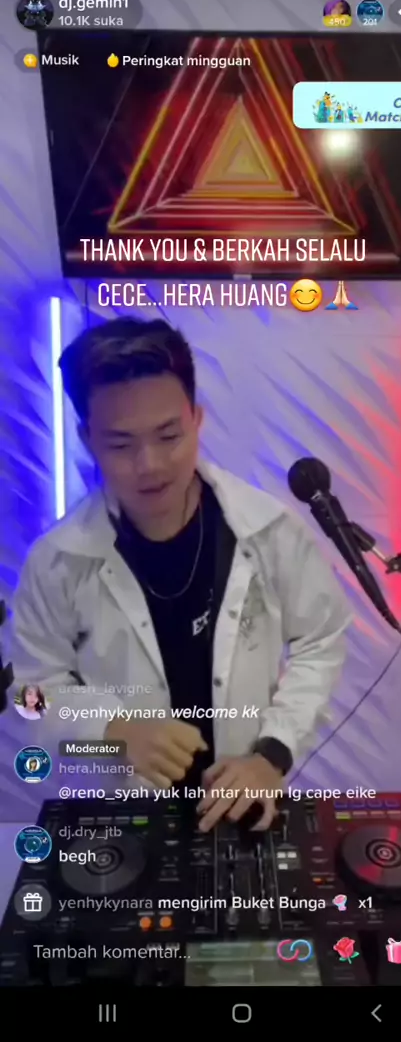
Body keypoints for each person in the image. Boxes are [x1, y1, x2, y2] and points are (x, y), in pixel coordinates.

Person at [11, 319, 351, 830]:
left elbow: (321, 639)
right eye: (120, 444)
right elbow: (29, 695)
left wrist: (272, 755)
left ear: (197, 419)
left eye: (169, 435)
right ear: (86, 439)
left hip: (244, 806)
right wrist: (112, 731)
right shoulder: (57, 560)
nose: (150, 464)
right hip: (126, 817)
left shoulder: (268, 532)